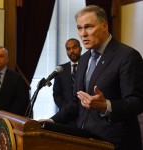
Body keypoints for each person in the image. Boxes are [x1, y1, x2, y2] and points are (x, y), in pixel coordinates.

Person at [38, 5, 143, 150]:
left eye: (88, 27)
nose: (83, 34)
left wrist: (106, 106)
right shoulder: (84, 59)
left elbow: (136, 102)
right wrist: (51, 121)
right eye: (79, 28)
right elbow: (77, 102)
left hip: (115, 143)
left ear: (104, 26)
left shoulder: (127, 56)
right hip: (86, 140)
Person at [53, 38, 82, 127]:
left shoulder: (87, 66)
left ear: (80, 49)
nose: (71, 51)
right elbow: (57, 94)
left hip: (83, 115)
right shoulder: (61, 69)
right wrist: (66, 110)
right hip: (65, 117)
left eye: (74, 47)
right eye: (68, 49)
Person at [0, 46, 28, 115]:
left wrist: (8, 116)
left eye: (1, 56)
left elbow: (19, 100)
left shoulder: (17, 77)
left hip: (10, 119)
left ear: (7, 59)